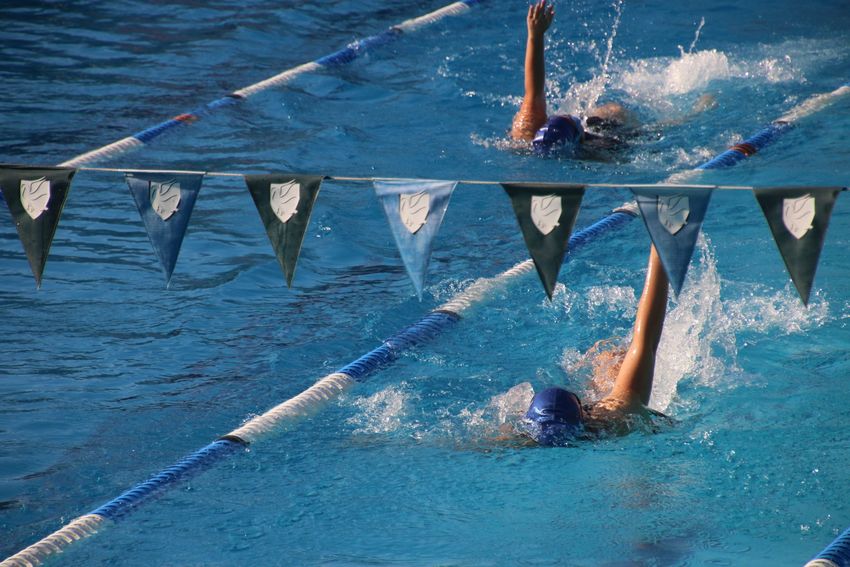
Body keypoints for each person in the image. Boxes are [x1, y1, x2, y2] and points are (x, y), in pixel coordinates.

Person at [511, 1, 714, 155]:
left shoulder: (526, 131)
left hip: (597, 127)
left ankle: (694, 113)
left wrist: (535, 36)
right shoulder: (597, 150)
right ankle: (695, 113)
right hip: (604, 133)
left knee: (612, 114)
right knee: (652, 131)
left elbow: (534, 88)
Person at [517, 243, 670, 445]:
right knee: (611, 359)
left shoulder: (616, 415)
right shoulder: (619, 419)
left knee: (609, 359)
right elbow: (645, 342)